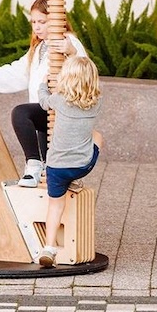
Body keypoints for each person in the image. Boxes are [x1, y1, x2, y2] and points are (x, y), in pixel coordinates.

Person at [0, 0, 87, 188]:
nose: (36, 26)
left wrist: (71, 52)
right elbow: (17, 72)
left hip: (61, 114)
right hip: (45, 115)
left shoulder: (69, 43)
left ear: (56, 21)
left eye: (42, 22)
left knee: (21, 113)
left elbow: (84, 70)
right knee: (51, 178)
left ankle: (33, 164)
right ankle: (39, 173)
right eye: (34, 22)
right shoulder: (39, 48)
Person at [35, 55, 103, 267]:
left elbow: (43, 101)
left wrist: (44, 84)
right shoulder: (96, 103)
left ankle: (48, 247)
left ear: (66, 78)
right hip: (81, 166)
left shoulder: (58, 100)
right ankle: (73, 180)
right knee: (97, 135)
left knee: (55, 205)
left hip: (56, 167)